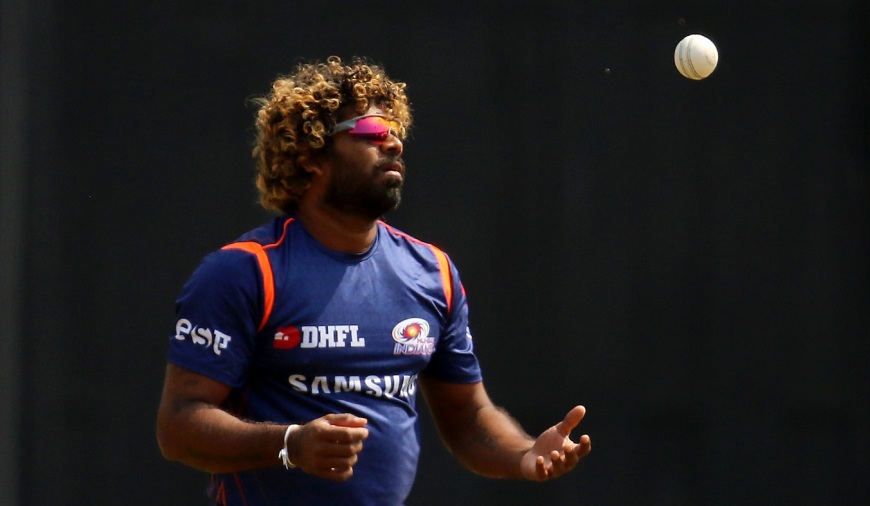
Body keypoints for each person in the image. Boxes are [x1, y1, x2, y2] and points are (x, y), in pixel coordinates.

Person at [155, 56, 591, 505]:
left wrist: (524, 453)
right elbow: (179, 426)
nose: (394, 143)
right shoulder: (245, 271)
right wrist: (290, 444)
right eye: (373, 131)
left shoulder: (432, 271)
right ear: (310, 157)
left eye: (396, 131)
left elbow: (468, 419)